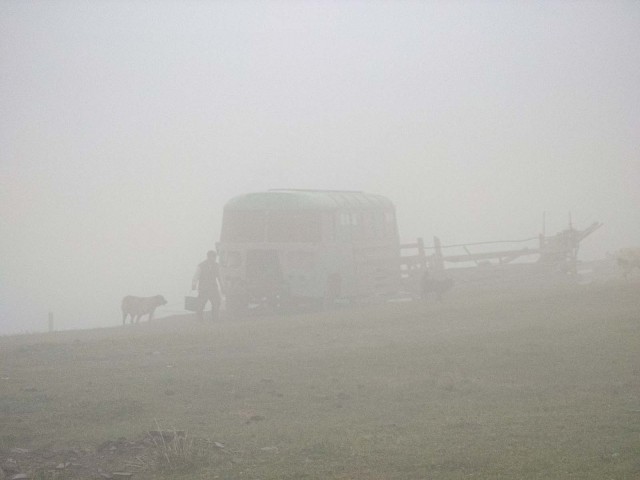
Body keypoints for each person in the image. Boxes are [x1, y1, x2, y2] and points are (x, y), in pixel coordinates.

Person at [192, 250, 223, 321]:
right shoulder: (201, 266)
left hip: (213, 288)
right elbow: (196, 276)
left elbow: (219, 277)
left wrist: (222, 286)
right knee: (201, 305)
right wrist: (194, 284)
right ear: (209, 257)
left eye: (215, 257)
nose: (215, 259)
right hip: (203, 289)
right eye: (213, 257)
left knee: (217, 303)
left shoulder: (217, 266)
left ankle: (215, 318)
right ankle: (200, 319)